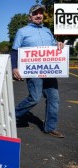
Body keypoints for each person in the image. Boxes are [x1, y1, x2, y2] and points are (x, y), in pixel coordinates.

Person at [11, 4, 65, 138]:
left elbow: (54, 47)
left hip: (50, 71)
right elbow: (14, 51)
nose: (39, 15)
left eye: (41, 13)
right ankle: (12, 116)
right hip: (33, 71)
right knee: (34, 98)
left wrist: (59, 44)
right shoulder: (22, 31)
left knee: (54, 99)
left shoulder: (47, 31)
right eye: (35, 13)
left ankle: (50, 128)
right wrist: (14, 67)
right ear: (30, 16)